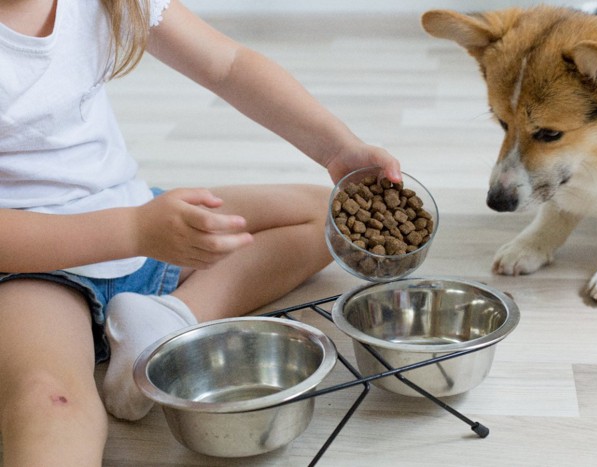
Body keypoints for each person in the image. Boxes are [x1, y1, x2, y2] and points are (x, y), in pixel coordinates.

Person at [0, 0, 402, 465]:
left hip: (136, 214)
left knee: (329, 217)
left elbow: (227, 66)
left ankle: (165, 318)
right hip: (33, 264)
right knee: (50, 403)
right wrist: (131, 231)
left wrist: (337, 147)